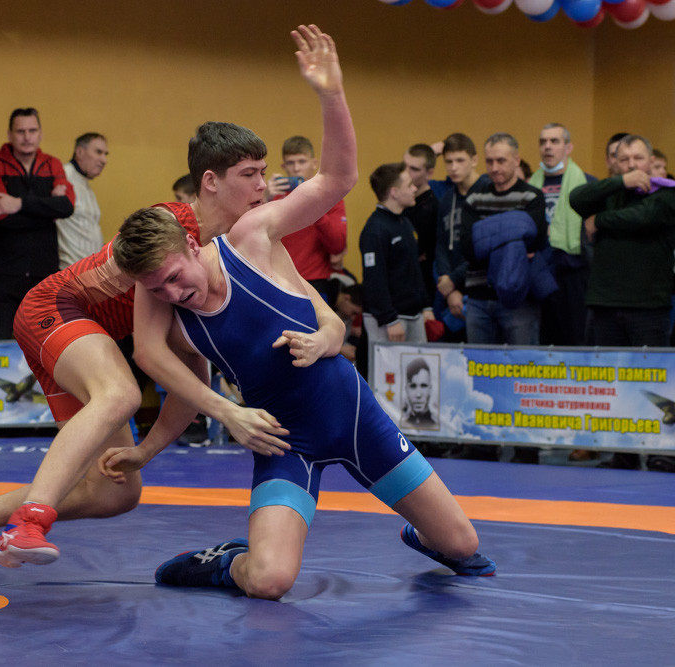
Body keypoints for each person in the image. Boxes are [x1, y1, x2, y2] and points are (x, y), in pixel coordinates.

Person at [0, 25, 341, 587]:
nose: (263, 188)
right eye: (251, 175)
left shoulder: (214, 256)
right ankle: (29, 522)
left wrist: (145, 450)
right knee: (120, 392)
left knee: (114, 492)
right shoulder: (171, 231)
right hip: (56, 309)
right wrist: (228, 412)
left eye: (264, 174)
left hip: (83, 333)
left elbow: (188, 379)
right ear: (211, 182)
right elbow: (148, 352)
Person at [102, 29, 494, 600]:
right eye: (158, 288)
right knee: (269, 580)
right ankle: (223, 563)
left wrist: (331, 94)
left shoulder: (252, 237)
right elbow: (151, 356)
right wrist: (202, 424)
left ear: (190, 247)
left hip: (354, 417)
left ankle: (431, 535)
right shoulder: (161, 291)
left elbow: (337, 180)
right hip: (284, 442)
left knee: (461, 543)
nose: (173, 291)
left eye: (174, 278)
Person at [571, 134, 675, 473]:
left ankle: (663, 452)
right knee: (616, 384)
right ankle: (624, 454)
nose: (632, 165)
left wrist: (599, 221)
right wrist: (619, 182)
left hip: (648, 305)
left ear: (651, 160)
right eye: (624, 159)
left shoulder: (665, 194)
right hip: (606, 301)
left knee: (655, 383)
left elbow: (643, 217)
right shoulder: (609, 192)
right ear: (615, 163)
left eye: (638, 158)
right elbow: (576, 198)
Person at [0, 108, 75, 339]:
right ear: (9, 134)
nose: (27, 137)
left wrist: (19, 203)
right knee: (0, 344)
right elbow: (2, 217)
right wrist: (47, 209)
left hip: (44, 273)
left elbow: (66, 207)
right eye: (20, 131)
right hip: (4, 274)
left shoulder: (52, 163)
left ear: (40, 133)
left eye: (32, 131)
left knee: (45, 343)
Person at [460, 133, 547, 346]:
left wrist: (485, 235)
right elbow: (469, 248)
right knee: (479, 364)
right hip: (478, 298)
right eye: (489, 161)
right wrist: (512, 239)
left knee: (523, 364)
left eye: (501, 161)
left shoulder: (532, 197)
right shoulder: (474, 198)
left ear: (516, 160)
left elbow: (534, 243)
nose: (495, 168)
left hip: (519, 298)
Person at [529, 123, 595, 346]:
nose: (547, 147)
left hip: (574, 271)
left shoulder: (587, 184)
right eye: (543, 142)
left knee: (576, 338)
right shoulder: (530, 186)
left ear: (568, 147)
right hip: (539, 270)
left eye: (554, 141)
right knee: (544, 341)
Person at [265, 135, 347, 303]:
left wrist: (316, 207)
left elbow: (337, 246)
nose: (296, 168)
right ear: (283, 166)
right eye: (290, 163)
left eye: (302, 162)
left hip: (315, 281)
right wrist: (264, 199)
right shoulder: (273, 197)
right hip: (278, 281)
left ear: (314, 163)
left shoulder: (330, 197)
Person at [359, 162, 433, 345]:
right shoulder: (375, 230)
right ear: (394, 192)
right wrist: (389, 319)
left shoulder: (405, 222)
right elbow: (374, 279)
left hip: (414, 314)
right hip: (389, 320)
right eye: (409, 185)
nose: (415, 188)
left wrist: (425, 305)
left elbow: (414, 269)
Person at [433, 133, 488, 335]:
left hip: (482, 288)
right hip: (450, 291)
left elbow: (485, 247)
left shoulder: (488, 192)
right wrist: (447, 283)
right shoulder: (447, 199)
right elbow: (441, 243)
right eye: (448, 162)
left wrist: (453, 281)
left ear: (474, 160)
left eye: (460, 160)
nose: (453, 168)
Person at [57, 133, 108, 269]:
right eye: (98, 152)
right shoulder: (62, 176)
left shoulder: (86, 186)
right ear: (80, 152)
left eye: (105, 154)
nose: (104, 160)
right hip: (69, 271)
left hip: (90, 271)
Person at [403, 144, 440, 302]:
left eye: (414, 169)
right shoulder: (400, 201)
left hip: (420, 289)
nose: (406, 173)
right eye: (404, 166)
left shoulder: (432, 208)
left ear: (429, 173)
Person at [402, 358, 437, 429]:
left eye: (423, 386)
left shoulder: (436, 426)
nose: (418, 395)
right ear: (406, 389)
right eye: (413, 386)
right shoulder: (401, 425)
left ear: (430, 389)